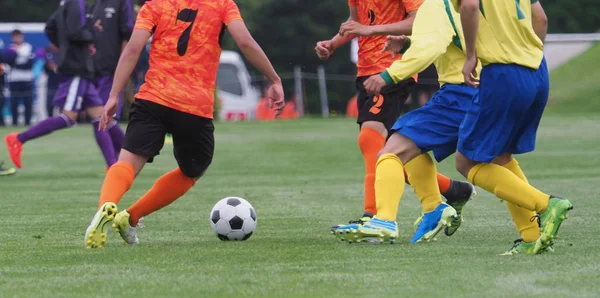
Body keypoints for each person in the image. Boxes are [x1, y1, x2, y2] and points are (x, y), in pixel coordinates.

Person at [84, 0, 284, 248]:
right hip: (194, 108)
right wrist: (274, 79)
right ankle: (131, 217)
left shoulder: (156, 4)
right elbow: (245, 43)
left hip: (152, 99)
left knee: (128, 162)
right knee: (192, 171)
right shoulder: (223, 4)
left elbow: (133, 49)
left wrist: (114, 96)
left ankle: (106, 205)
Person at [316, 0, 475, 231]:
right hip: (366, 70)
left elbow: (419, 22)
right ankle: (452, 190)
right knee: (392, 149)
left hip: (393, 66)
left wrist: (371, 31)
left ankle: (373, 216)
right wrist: (333, 44)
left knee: (370, 138)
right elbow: (356, 23)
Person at [458, 0, 572, 254]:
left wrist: (470, 56)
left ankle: (546, 204)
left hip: (504, 73)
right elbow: (540, 18)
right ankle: (532, 237)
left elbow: (469, 6)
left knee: (465, 162)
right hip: (537, 71)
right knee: (500, 156)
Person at [4, 0, 123, 170]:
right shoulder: (76, 2)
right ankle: (18, 138)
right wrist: (92, 35)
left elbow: (50, 28)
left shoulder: (67, 3)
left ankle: (115, 164)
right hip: (76, 69)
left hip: (79, 67)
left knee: (101, 117)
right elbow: (75, 32)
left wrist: (66, 47)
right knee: (68, 118)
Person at [91, 0, 134, 121]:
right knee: (98, 116)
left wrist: (122, 64)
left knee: (106, 116)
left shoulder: (123, 2)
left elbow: (128, 34)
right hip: (94, 69)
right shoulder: (96, 4)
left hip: (112, 69)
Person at [4, 30, 35, 126]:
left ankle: (27, 122)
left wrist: (17, 63)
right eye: (15, 37)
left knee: (28, 102)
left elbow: (29, 64)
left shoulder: (28, 47)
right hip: (14, 79)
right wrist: (17, 58)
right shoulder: (10, 48)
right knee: (14, 103)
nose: (17, 39)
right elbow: (9, 62)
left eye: (19, 36)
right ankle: (14, 122)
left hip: (27, 79)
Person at [34, 44, 60, 118]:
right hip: (49, 81)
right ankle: (48, 119)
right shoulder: (45, 51)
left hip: (62, 81)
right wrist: (48, 66)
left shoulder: (63, 51)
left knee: (62, 103)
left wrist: (57, 68)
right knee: (49, 103)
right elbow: (39, 67)